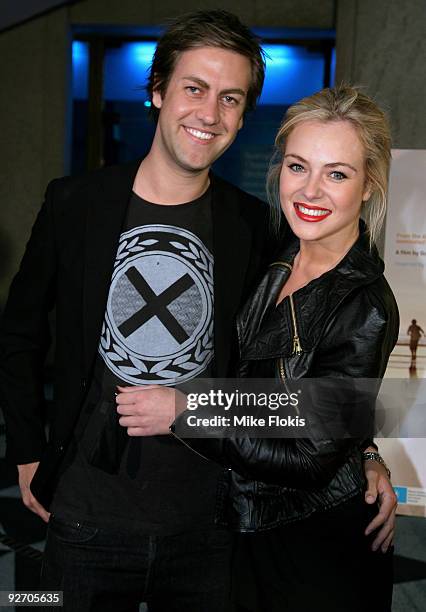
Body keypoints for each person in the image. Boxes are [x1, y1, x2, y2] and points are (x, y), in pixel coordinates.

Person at [0, 7, 394, 610]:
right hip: (84, 516)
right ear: (157, 92)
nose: (209, 113)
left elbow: (313, 368)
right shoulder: (74, 204)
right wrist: (27, 451)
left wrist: (362, 450)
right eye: (194, 88)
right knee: (38, 604)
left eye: (231, 98)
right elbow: (19, 334)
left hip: (211, 525)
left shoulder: (255, 226)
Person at [168, 85, 399, 611]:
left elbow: (310, 460)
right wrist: (364, 447)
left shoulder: (366, 303)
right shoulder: (272, 250)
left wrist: (188, 411)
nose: (311, 191)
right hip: (243, 522)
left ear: (368, 186)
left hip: (313, 540)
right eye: (299, 167)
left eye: (337, 173)